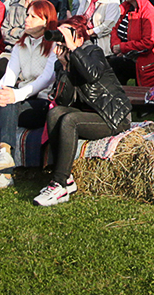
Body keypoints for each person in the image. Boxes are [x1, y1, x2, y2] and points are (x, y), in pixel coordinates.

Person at [30, 19, 134, 208]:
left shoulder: (93, 52)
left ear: (78, 38)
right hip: (89, 114)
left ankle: (59, 185)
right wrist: (65, 67)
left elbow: (92, 74)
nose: (61, 42)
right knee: (56, 114)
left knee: (70, 120)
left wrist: (73, 48)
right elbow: (64, 101)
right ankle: (66, 178)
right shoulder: (64, 61)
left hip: (113, 116)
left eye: (65, 36)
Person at [110, 0, 154, 87]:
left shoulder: (149, 14)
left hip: (145, 64)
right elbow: (115, 29)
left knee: (113, 65)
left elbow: (148, 43)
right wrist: (116, 46)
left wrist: (122, 48)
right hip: (127, 57)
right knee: (110, 65)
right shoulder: (125, 8)